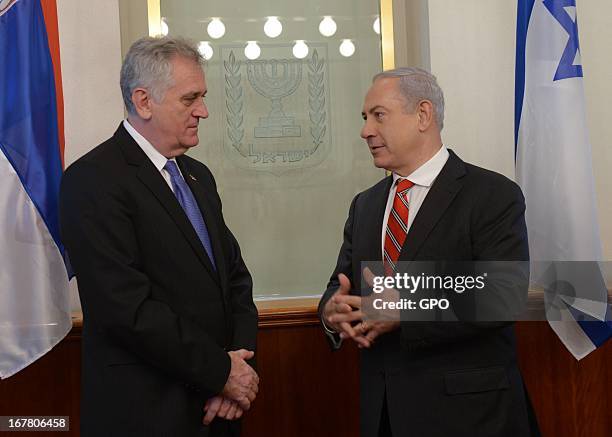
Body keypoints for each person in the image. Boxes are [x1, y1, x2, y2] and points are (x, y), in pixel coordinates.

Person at [319, 68, 539, 436]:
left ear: (423, 115)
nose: (365, 131)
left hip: (470, 417)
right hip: (385, 415)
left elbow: (503, 294)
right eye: (364, 118)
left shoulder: (491, 195)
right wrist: (331, 312)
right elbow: (341, 286)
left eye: (378, 115)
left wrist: (408, 307)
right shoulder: (365, 205)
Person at [60, 37, 258, 437]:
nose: (203, 111)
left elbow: (235, 279)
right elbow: (125, 308)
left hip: (219, 411)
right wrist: (221, 373)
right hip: (147, 414)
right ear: (143, 101)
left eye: (202, 97)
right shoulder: (92, 180)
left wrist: (238, 365)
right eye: (190, 99)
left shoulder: (198, 177)